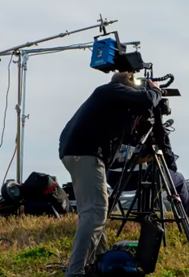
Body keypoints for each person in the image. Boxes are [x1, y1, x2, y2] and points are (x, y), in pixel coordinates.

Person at [58, 71, 162, 277]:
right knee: (95, 213)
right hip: (85, 153)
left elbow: (125, 137)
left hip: (80, 152)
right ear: (127, 87)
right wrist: (154, 90)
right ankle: (76, 271)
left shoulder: (110, 102)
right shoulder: (110, 90)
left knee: (97, 211)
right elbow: (147, 99)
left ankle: (99, 262)